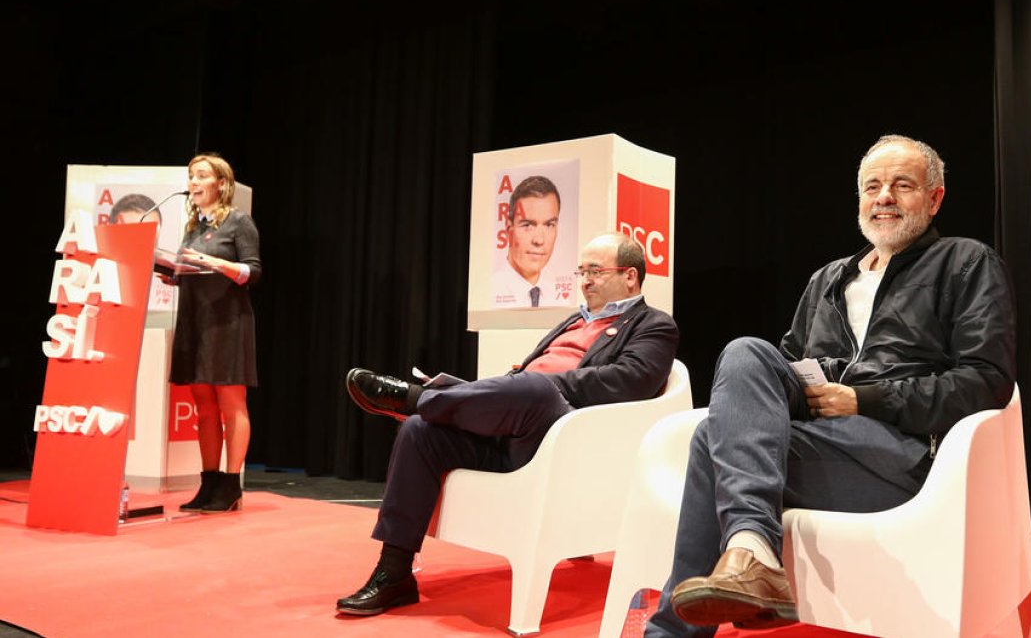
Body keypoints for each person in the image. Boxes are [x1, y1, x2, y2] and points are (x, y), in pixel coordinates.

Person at [646, 135, 1017, 636]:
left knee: (711, 442)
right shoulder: (827, 280)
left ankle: (685, 618)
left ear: (934, 198)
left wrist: (865, 398)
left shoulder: (966, 263)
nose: (883, 196)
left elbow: (986, 382)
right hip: (820, 437)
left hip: (902, 453)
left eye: (902, 184)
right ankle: (751, 550)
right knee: (745, 351)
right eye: (872, 186)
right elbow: (787, 365)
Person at [337, 232, 679, 615]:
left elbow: (628, 381)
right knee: (420, 432)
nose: (584, 280)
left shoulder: (654, 325)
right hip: (518, 430)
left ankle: (414, 400)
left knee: (533, 387)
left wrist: (539, 384)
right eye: (581, 270)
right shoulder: (571, 321)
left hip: (568, 438)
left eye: (595, 271)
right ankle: (394, 573)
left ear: (630, 276)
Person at [169, 153, 262, 513]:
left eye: (201, 176)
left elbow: (252, 272)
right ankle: (208, 484)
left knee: (230, 404)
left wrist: (215, 263)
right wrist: (170, 270)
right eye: (191, 176)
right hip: (195, 323)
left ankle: (230, 484)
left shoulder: (239, 223)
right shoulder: (192, 227)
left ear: (221, 184)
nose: (193, 182)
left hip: (228, 323)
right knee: (203, 407)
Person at [492, 175, 561, 307]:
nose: (539, 240)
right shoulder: (488, 293)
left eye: (549, 225)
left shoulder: (560, 300)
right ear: (508, 228)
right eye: (527, 225)